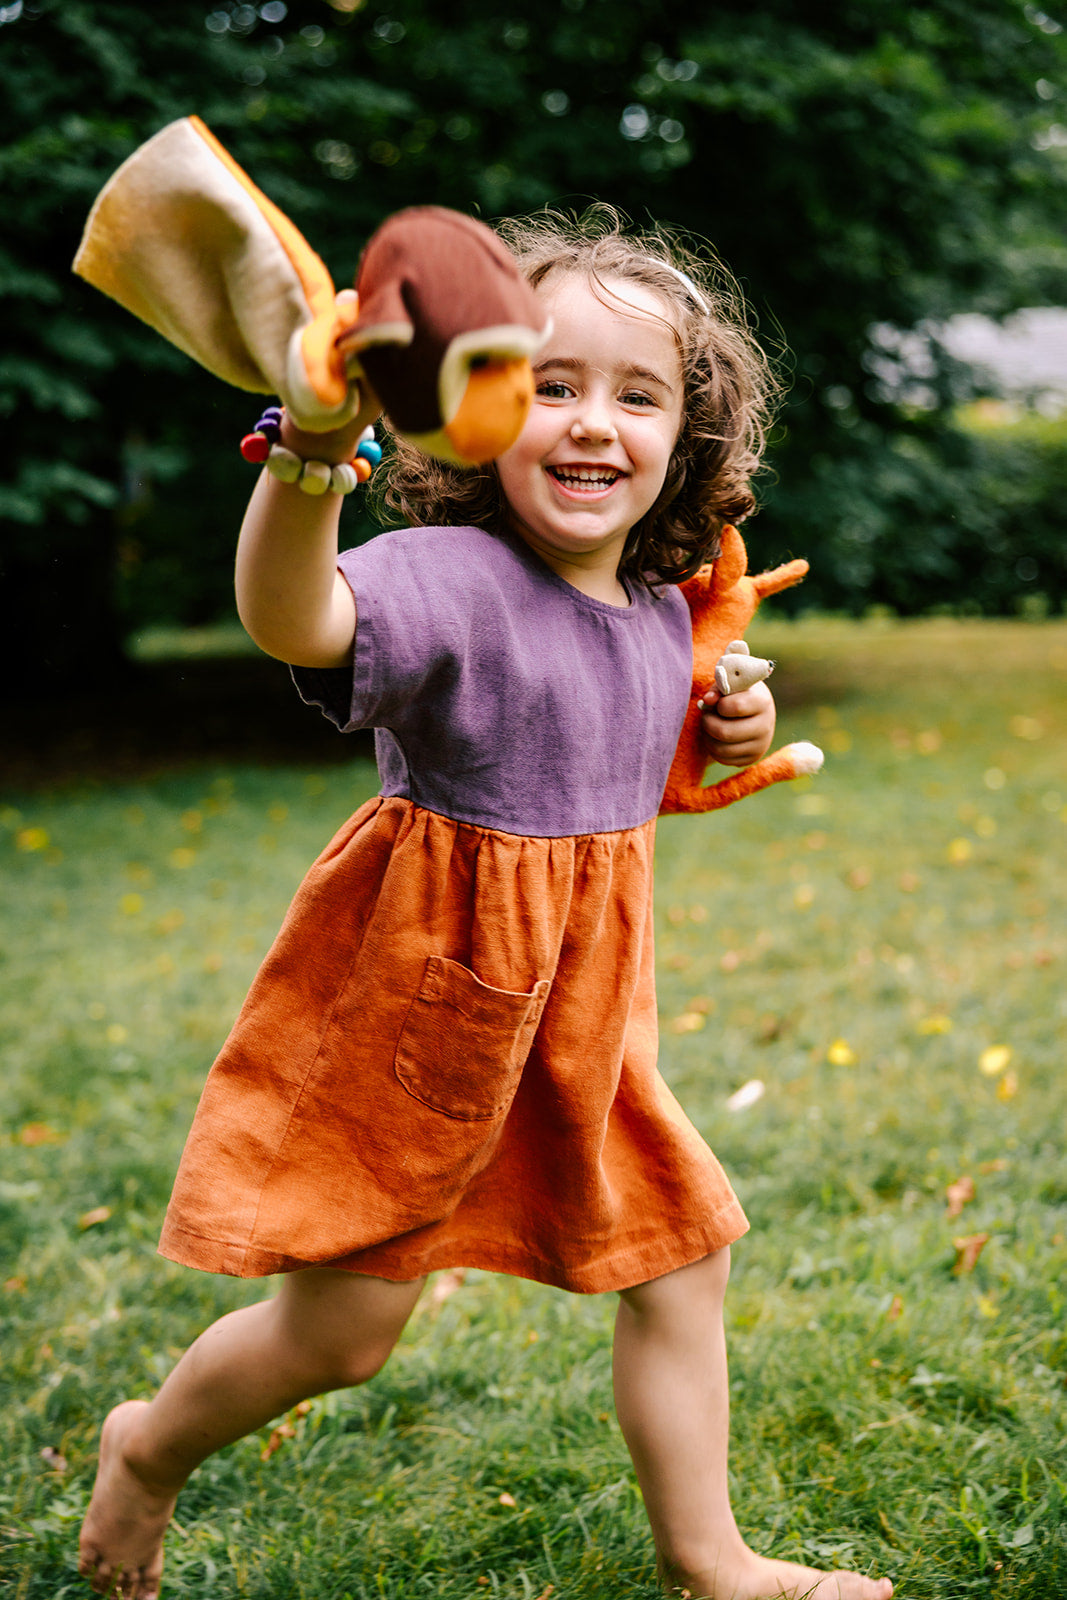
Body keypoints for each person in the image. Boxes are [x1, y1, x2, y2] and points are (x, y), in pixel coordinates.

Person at [78, 209, 893, 1600]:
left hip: (583, 1033)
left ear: (686, 443)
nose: (594, 422)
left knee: (684, 1258)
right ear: (475, 408)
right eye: (553, 383)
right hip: (423, 1016)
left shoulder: (651, 608)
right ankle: (147, 1449)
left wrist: (734, 722)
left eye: (638, 396)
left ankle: (714, 1563)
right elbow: (296, 620)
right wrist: (317, 457)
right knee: (340, 1339)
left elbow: (655, 757)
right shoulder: (450, 583)